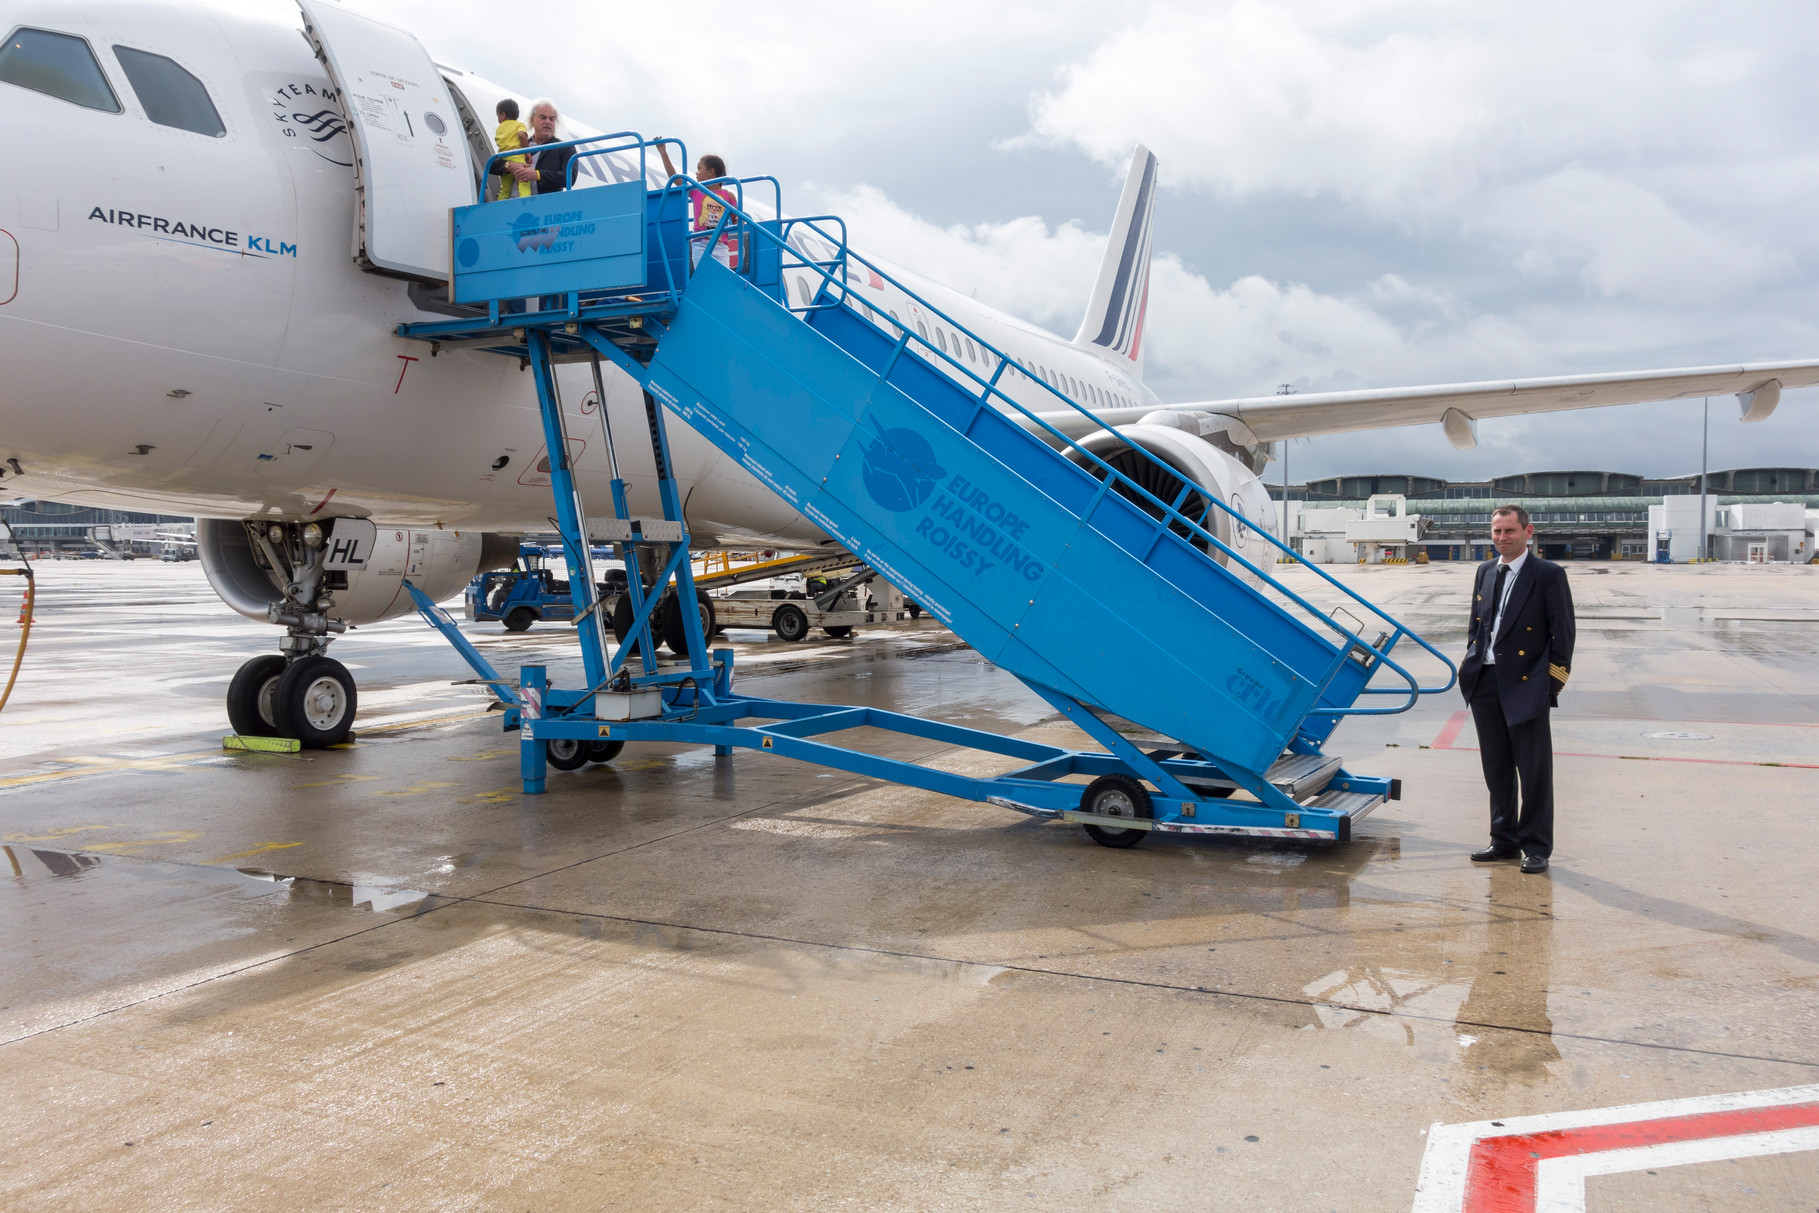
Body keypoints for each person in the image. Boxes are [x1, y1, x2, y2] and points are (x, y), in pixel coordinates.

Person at [1458, 505, 1575, 874]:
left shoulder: (1548, 574)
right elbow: (1478, 626)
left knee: (1534, 770)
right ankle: (1503, 840)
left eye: (1509, 531)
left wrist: (1549, 686)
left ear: (1528, 532)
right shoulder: (1485, 571)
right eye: (1496, 531)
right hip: (1486, 681)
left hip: (1527, 683)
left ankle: (1536, 846)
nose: (1502, 538)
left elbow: (1564, 634)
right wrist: (1471, 662)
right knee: (1497, 768)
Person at [657, 143, 738, 271]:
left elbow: (736, 219)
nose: (696, 173)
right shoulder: (696, 191)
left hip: (721, 245)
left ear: (711, 172)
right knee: (703, 278)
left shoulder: (728, 196)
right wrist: (663, 152)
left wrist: (739, 220)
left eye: (699, 168)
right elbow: (676, 179)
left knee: (722, 282)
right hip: (701, 243)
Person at [493, 99, 575, 196]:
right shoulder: (521, 144)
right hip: (511, 204)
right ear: (532, 120)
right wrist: (508, 165)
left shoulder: (564, 148)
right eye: (543, 117)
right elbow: (491, 166)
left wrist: (537, 175)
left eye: (552, 119)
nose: (548, 122)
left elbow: (569, 178)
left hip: (542, 207)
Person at [491, 99, 531, 201]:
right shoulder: (519, 125)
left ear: (503, 115)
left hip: (505, 160)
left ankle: (500, 205)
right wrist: (527, 152)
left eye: (498, 116)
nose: (498, 119)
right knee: (523, 184)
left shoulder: (499, 128)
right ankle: (526, 204)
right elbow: (521, 135)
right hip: (518, 158)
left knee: (504, 189)